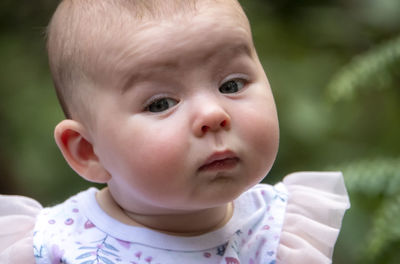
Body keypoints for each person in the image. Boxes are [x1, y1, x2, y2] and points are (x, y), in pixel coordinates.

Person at [0, 0, 350, 263]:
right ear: (88, 151)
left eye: (231, 84)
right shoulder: (53, 247)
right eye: (160, 104)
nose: (213, 114)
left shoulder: (281, 234)